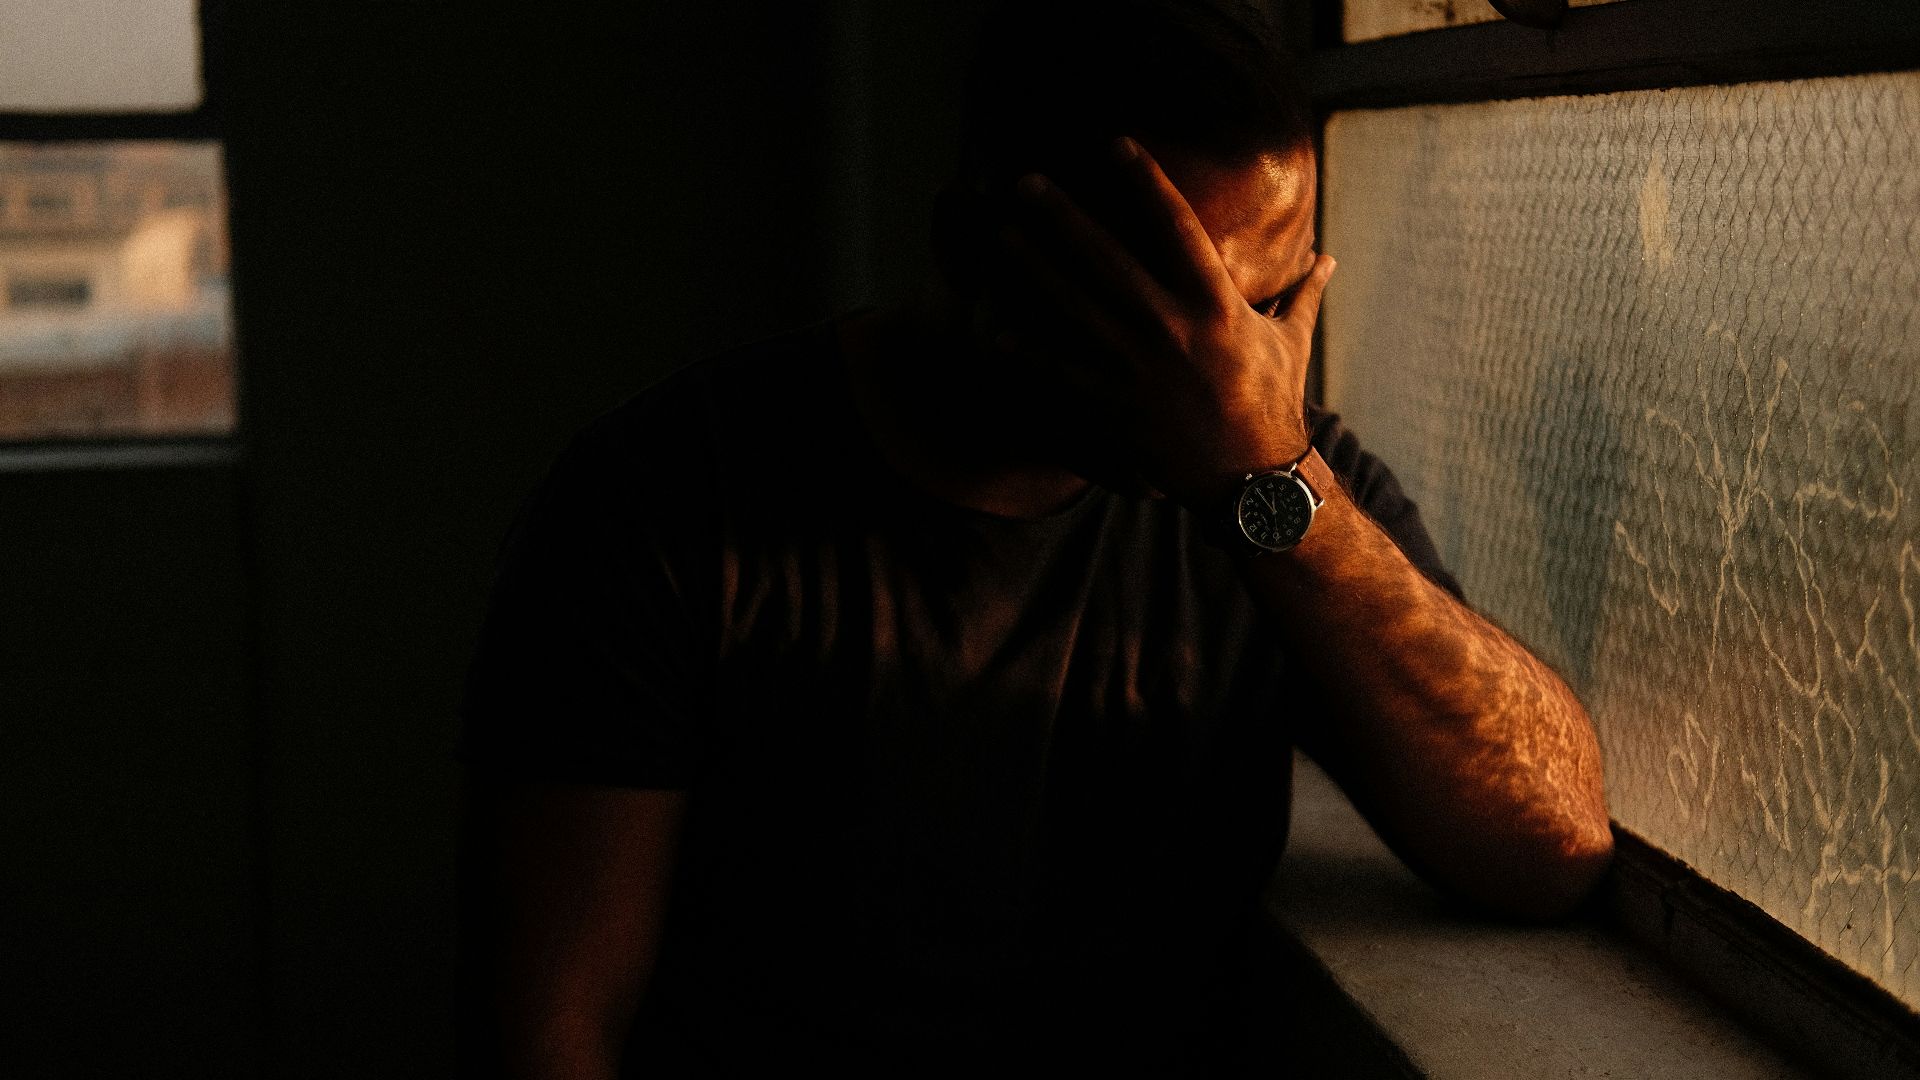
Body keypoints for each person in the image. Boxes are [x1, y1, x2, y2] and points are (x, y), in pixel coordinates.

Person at [456, 1, 1613, 1075]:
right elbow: (558, 1025)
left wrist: (1271, 489)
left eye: (1266, 311)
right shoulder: (663, 502)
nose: (1228, 370)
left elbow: (1551, 844)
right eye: (1168, 308)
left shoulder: (1270, 476)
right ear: (976, 251)